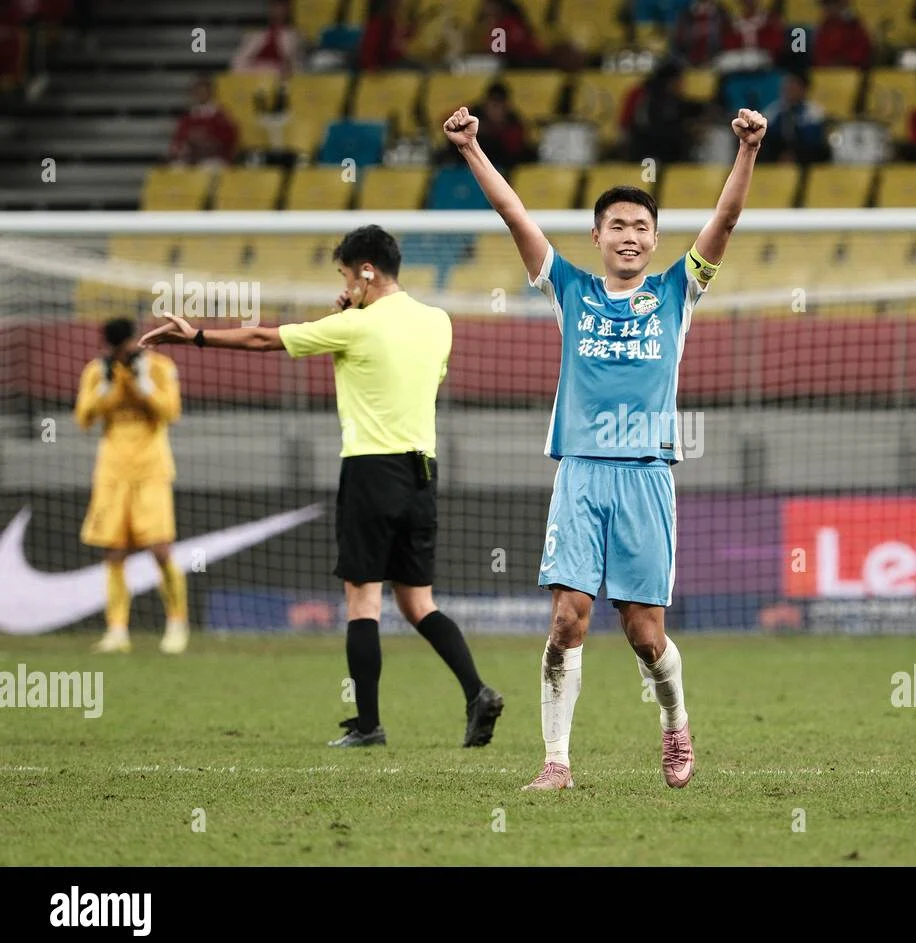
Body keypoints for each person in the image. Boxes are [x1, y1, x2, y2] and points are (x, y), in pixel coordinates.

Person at [443, 101, 768, 791]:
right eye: (617, 224)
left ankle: (675, 724)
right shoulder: (570, 289)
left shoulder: (678, 291)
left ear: (654, 240)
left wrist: (747, 149)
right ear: (597, 235)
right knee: (567, 620)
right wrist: (472, 148)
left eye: (641, 226)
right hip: (582, 473)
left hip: (648, 476)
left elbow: (728, 220)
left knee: (646, 636)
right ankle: (556, 762)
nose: (629, 235)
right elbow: (514, 216)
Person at [138, 226, 505, 750]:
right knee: (419, 601)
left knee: (363, 602)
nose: (344, 285)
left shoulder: (351, 328)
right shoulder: (437, 321)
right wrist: (351, 314)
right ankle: (476, 692)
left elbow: (266, 339)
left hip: (370, 471)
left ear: (366, 272)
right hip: (423, 473)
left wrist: (194, 336)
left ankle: (369, 724)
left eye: (345, 276)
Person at [75, 317, 188, 655]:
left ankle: (176, 623)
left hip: (151, 469)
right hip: (112, 471)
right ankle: (117, 631)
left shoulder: (159, 367)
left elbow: (170, 412)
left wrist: (142, 383)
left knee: (160, 548)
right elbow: (83, 418)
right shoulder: (97, 371)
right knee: (114, 551)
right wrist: (106, 388)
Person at [168, 76, 239, 166]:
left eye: (203, 91)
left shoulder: (220, 116)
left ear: (210, 92)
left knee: (210, 166)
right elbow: (178, 140)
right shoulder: (188, 117)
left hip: (214, 158)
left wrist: (207, 139)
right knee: (176, 168)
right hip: (191, 157)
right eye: (197, 91)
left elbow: (229, 140)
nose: (200, 94)